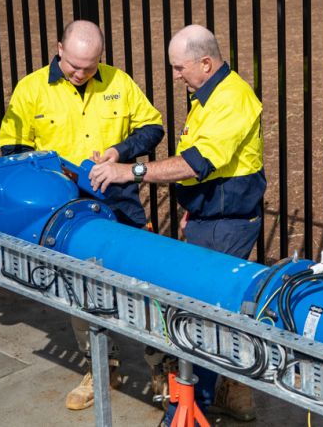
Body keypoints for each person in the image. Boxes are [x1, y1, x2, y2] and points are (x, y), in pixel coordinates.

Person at [89, 23, 265, 422]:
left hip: (228, 223)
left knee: (204, 312)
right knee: (199, 307)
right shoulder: (208, 93)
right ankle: (200, 395)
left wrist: (130, 172)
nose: (176, 75)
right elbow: (205, 166)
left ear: (206, 61)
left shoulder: (232, 100)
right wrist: (192, 207)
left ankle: (193, 404)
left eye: (179, 67)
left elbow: (196, 162)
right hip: (209, 217)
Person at [0, 19, 165, 411]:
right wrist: (51, 176)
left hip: (118, 199)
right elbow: (12, 150)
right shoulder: (31, 89)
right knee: (80, 288)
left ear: (100, 59)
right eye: (73, 64)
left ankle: (161, 368)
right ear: (59, 49)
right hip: (65, 207)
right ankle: (101, 367)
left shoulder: (118, 82)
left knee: (141, 284)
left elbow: (153, 126)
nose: (79, 73)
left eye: (89, 67)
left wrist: (120, 153)